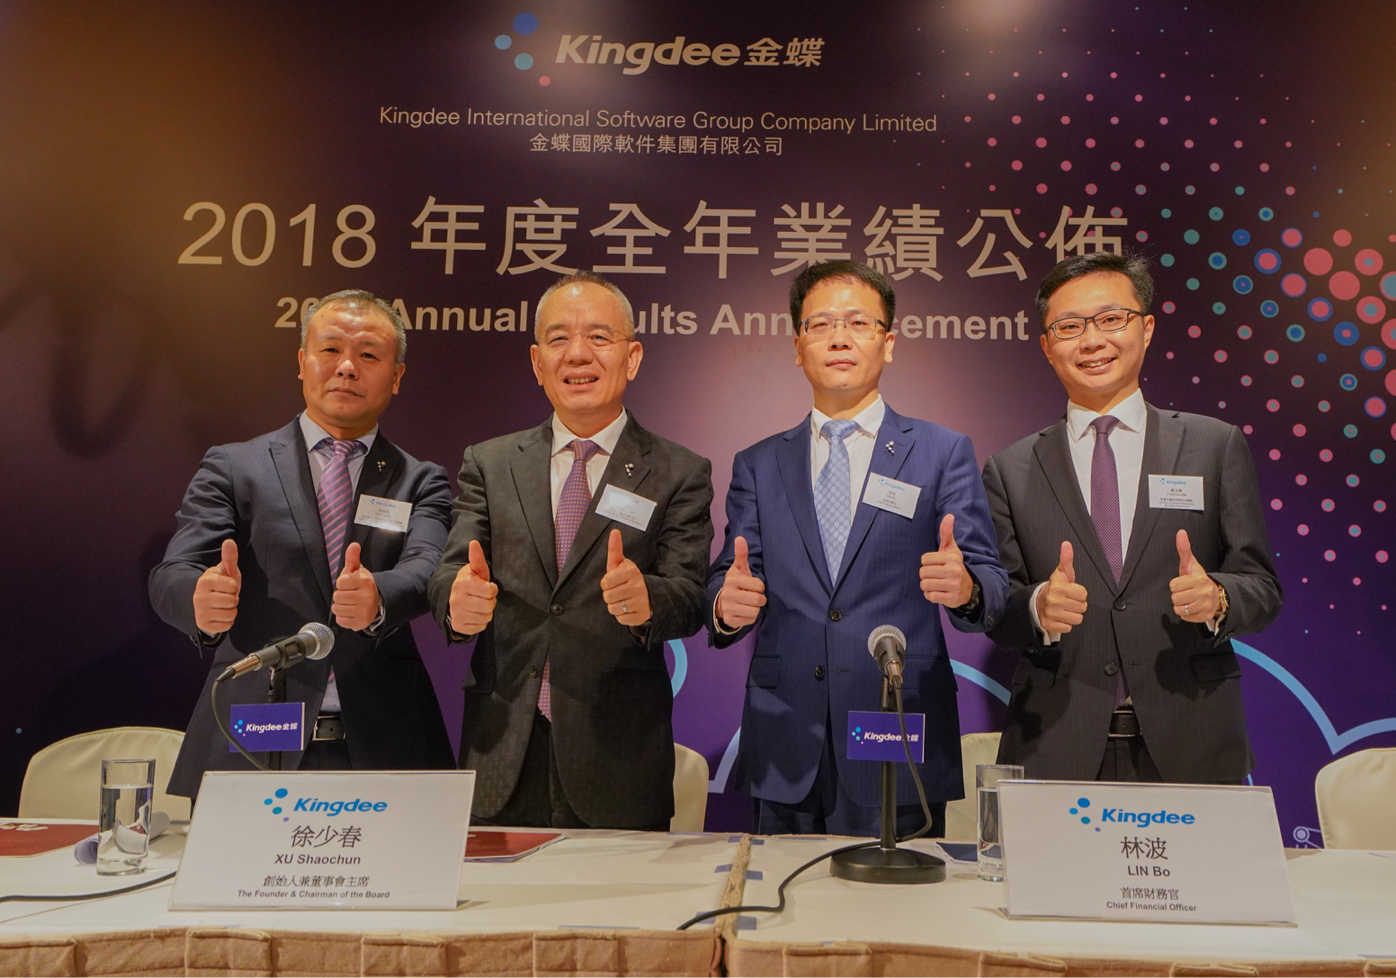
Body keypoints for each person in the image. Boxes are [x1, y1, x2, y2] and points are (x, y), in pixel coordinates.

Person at [705, 259, 1009, 836]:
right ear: (798, 347)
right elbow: (730, 574)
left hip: (896, 725)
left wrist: (967, 588)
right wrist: (725, 604)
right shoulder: (759, 463)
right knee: (782, 894)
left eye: (858, 323)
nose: (839, 338)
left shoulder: (941, 452)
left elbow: (991, 585)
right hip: (786, 738)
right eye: (820, 325)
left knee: (895, 892)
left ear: (888, 343)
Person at [427, 270, 713, 831]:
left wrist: (645, 601)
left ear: (632, 358)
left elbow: (688, 596)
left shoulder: (679, 471)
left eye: (599, 337)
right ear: (538, 363)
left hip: (619, 755)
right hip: (502, 749)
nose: (578, 354)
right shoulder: (490, 463)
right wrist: (456, 602)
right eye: (559, 339)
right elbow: (451, 571)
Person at [982, 252, 1282, 783]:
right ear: (1047, 346)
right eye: (1069, 326)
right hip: (1059, 744)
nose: (1091, 340)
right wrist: (1037, 607)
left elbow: (1262, 586)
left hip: (1194, 738)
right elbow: (998, 610)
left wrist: (1218, 597)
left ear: (1146, 328)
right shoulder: (1010, 468)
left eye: (1111, 319)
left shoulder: (1214, 445)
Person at [150, 290, 455, 800]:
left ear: (397, 376)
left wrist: (379, 596)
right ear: (302, 362)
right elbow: (173, 571)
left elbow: (429, 565)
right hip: (256, 729)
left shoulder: (420, 479)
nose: (347, 367)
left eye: (369, 355)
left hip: (383, 740)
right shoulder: (234, 467)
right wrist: (199, 599)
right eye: (330, 349)